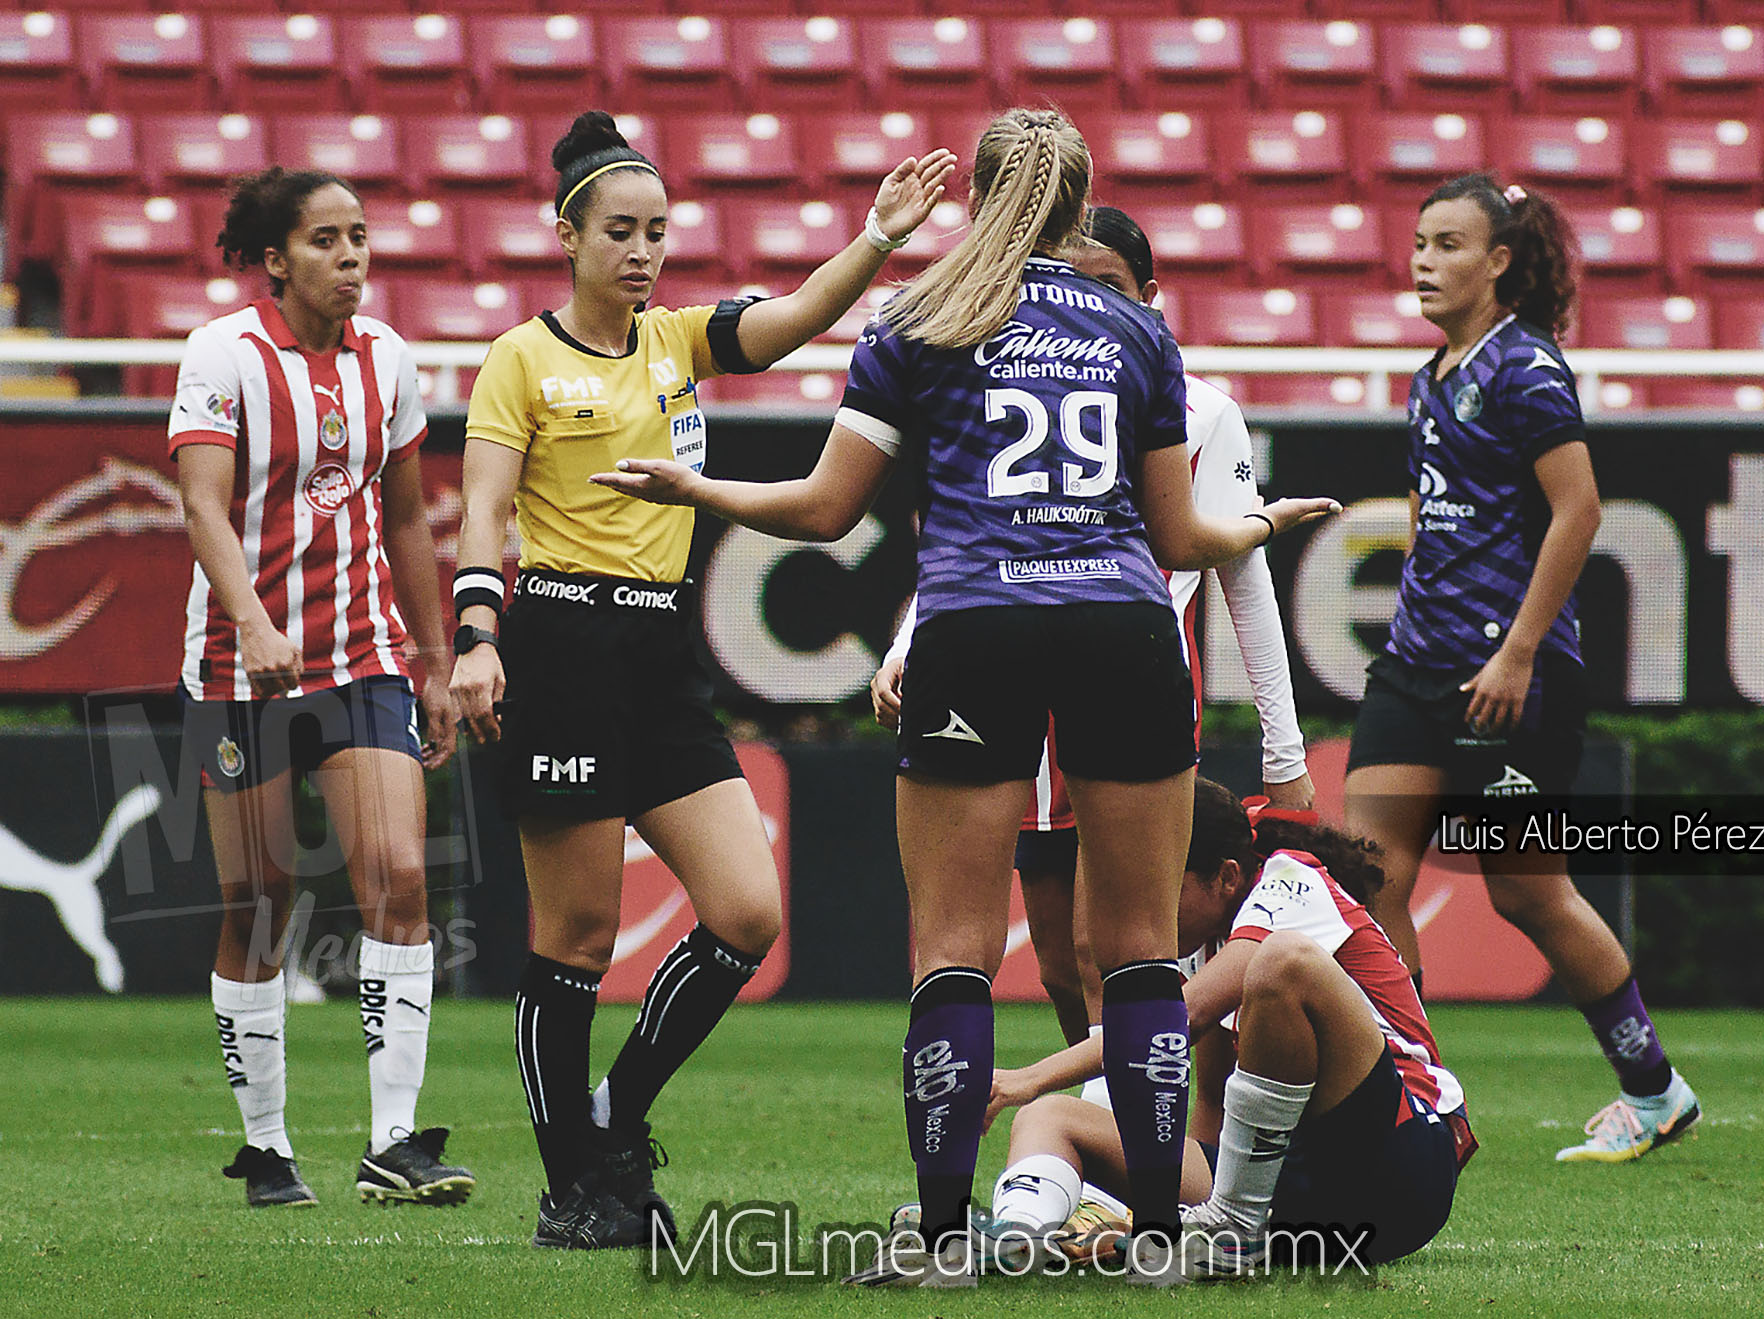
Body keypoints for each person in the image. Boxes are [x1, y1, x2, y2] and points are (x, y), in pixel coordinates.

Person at [592, 106, 1338, 1284]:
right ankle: (1156, 1236)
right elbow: (1178, 537)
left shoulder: (916, 319)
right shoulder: (1138, 333)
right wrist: (1256, 523)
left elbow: (826, 510)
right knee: (1142, 953)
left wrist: (701, 490)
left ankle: (942, 1236)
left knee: (953, 950)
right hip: (1123, 628)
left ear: (978, 200)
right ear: (1079, 212)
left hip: (975, 629)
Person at [448, 111, 955, 1250]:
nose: (642, 252)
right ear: (567, 235)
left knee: (745, 909)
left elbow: (795, 317)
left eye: (657, 232)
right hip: (563, 644)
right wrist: (477, 635)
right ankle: (574, 1184)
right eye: (618, 231)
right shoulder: (521, 358)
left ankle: (616, 1112)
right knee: (578, 937)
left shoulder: (678, 339)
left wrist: (878, 236)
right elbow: (483, 507)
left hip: (660, 658)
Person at [870, 205, 1313, 1055]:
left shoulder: (1201, 410)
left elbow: (1244, 578)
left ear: (1149, 296)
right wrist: (905, 644)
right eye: (1069, 281)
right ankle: (1103, 1113)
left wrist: (1283, 750)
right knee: (1057, 963)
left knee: (1115, 946)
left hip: (1126, 681)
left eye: (1107, 285)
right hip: (1019, 696)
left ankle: (1142, 1123)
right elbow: (974, 538)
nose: (1083, 303)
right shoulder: (1004, 386)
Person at [1342, 173, 1699, 1162]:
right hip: (1415, 668)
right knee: (1368, 875)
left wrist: (1518, 650)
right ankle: (1420, 1095)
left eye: (1448, 244)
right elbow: (1432, 514)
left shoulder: (1526, 367)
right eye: (1420, 242)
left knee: (1527, 890)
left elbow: (1580, 510)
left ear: (1499, 261)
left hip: (1509, 674)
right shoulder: (1430, 375)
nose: (1424, 261)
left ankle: (1655, 1089)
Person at [171, 166, 472, 1209]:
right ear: (276, 258)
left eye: (360, 236)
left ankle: (394, 1140)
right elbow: (202, 506)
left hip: (362, 659)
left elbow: (407, 519)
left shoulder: (388, 357)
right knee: (261, 903)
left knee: (400, 876)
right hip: (237, 666)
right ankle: (266, 1146)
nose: (351, 257)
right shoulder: (221, 353)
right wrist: (253, 621)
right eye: (326, 240)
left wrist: (433, 661)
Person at [979, 780, 1474, 1281]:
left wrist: (1027, 1077)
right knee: (1051, 1116)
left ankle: (1232, 1229)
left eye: (1164, 889)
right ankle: (1018, 1238)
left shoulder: (1291, 880)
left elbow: (1184, 1017)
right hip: (1295, 1199)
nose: (1148, 909)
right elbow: (1213, 1100)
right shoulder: (1202, 942)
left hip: (1402, 1168)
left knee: (1283, 960)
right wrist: (1174, 1213)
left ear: (1227, 876)